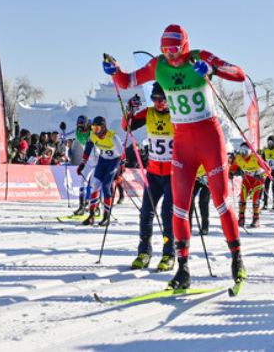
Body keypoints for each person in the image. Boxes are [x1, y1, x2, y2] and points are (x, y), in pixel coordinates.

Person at [104, 24, 247, 290]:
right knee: (179, 208)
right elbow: (126, 81)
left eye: (173, 50)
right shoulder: (158, 65)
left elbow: (239, 74)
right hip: (182, 142)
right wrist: (115, 71)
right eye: (164, 50)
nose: (169, 55)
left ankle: (236, 259)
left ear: (184, 46)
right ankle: (182, 269)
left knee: (221, 201)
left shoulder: (198, 57)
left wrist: (213, 70)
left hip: (209, 137)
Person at [123, 82, 176, 272]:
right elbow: (127, 126)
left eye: (162, 99)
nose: (158, 102)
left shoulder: (177, 114)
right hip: (153, 173)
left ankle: (169, 254)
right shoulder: (149, 113)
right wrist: (129, 110)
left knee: (167, 215)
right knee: (146, 213)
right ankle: (144, 252)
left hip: (172, 175)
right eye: (155, 98)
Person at [77, 116, 125, 227]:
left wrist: (121, 171)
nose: (95, 131)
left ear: (103, 128)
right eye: (93, 127)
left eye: (97, 128)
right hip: (102, 161)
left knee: (106, 186)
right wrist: (82, 164)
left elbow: (122, 154)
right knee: (95, 186)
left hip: (113, 162)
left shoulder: (113, 137)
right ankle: (91, 216)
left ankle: (106, 217)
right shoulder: (93, 135)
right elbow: (88, 149)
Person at [229, 143, 265, 228]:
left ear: (249, 151)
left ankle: (256, 219)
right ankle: (241, 218)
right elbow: (233, 168)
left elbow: (268, 170)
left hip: (258, 178)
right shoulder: (239, 159)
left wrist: (262, 176)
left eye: (245, 151)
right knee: (242, 198)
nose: (243, 153)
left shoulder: (256, 158)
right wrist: (231, 172)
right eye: (241, 151)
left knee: (255, 197)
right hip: (248, 178)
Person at [68, 115, 95, 215]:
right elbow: (66, 136)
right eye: (78, 123)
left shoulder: (92, 131)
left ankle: (94, 206)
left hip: (97, 161)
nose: (79, 126)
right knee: (82, 182)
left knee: (93, 185)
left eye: (81, 123)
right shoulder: (77, 131)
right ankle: (82, 206)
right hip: (87, 159)